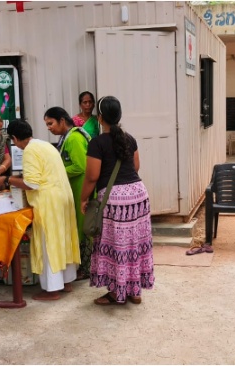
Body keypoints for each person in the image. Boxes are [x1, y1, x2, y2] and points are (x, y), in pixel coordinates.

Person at [0, 119, 80, 300]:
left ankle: (53, 289)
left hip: (49, 201)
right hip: (63, 197)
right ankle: (66, 282)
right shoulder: (44, 145)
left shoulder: (29, 151)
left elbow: (31, 183)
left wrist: (7, 180)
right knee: (62, 239)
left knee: (48, 243)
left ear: (15, 138)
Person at [80, 96, 154, 305]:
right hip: (138, 196)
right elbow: (136, 167)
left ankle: (116, 292)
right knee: (135, 244)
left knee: (116, 246)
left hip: (115, 202)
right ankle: (134, 290)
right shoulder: (129, 139)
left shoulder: (97, 143)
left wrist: (83, 199)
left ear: (100, 117)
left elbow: (92, 176)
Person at [44, 106, 92, 280]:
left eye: (50, 123)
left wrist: (55, 171)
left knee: (83, 229)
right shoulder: (69, 136)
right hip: (76, 188)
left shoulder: (73, 139)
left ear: (62, 121)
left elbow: (80, 166)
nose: (49, 127)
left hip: (81, 189)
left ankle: (86, 269)